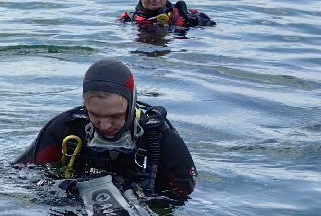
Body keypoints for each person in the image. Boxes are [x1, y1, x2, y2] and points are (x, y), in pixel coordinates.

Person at [15, 59, 196, 200]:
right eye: (95, 115)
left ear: (131, 104)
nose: (104, 126)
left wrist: (142, 195)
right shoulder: (66, 128)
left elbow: (185, 195)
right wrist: (62, 187)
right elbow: (17, 175)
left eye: (115, 116)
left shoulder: (158, 136)